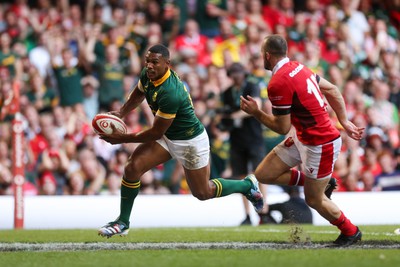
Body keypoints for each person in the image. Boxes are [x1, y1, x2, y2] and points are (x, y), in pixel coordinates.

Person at [97, 44, 263, 238]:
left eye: (154, 62)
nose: (149, 66)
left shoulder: (171, 92)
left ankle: (246, 185)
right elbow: (140, 92)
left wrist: (121, 139)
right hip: (168, 137)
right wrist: (121, 112)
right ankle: (123, 222)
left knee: (203, 192)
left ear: (167, 64)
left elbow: (155, 133)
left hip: (190, 142)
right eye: (147, 61)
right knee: (133, 167)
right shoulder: (148, 74)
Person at [240, 34, 364, 246]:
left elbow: (281, 127)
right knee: (263, 174)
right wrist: (343, 120)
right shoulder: (299, 67)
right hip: (303, 136)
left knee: (314, 199)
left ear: (267, 56)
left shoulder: (277, 83)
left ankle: (351, 232)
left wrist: (256, 113)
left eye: (262, 54)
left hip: (320, 143)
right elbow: (333, 89)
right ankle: (322, 183)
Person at [218, 62, 265, 225]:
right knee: (241, 177)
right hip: (237, 139)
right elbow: (224, 112)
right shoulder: (226, 93)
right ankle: (247, 215)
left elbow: (256, 105)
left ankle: (263, 213)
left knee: (260, 175)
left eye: (238, 73)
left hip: (254, 137)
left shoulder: (252, 87)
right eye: (233, 73)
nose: (236, 76)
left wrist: (232, 116)